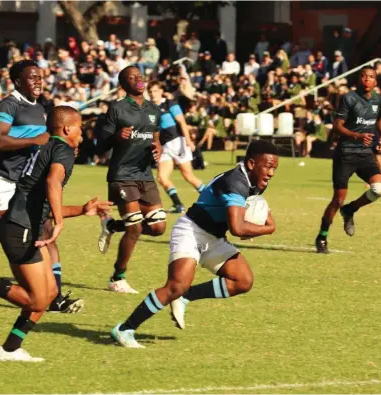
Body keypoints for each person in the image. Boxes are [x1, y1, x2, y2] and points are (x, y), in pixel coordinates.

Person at [0, 106, 112, 361]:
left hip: (24, 224)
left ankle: (10, 349)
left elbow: (40, 203)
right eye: (80, 127)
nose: (82, 133)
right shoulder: (63, 151)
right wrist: (59, 221)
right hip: (18, 228)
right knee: (36, 301)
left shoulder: (46, 147)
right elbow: (52, 183)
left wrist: (82, 209)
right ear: (68, 129)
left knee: (47, 296)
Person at [110, 140, 278, 348]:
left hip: (214, 237)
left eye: (274, 168)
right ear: (252, 164)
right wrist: (267, 228)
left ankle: (185, 297)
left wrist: (254, 222)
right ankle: (124, 329)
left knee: (243, 281)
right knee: (175, 286)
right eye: (268, 166)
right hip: (191, 231)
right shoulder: (235, 182)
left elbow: (241, 218)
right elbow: (237, 228)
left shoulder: (255, 181)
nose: (271, 173)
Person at [0, 60, 83, 313]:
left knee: (46, 230)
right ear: (18, 81)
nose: (38, 81)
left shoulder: (41, 108)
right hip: (3, 179)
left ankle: (56, 296)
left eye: (40, 77)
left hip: (25, 185)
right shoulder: (10, 104)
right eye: (32, 77)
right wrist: (35, 140)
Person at [95, 66, 166, 294]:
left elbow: (155, 138)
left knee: (158, 227)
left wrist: (158, 147)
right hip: (122, 175)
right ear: (124, 85)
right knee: (134, 228)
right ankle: (118, 278)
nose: (138, 79)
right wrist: (117, 136)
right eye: (131, 78)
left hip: (145, 175)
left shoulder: (154, 109)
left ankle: (112, 225)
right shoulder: (117, 108)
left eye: (139, 75)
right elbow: (100, 145)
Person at [315, 66, 381, 254]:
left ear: (375, 81)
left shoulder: (379, 100)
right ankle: (322, 236)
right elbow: (337, 126)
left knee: (379, 188)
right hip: (345, 154)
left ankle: (350, 210)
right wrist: (357, 135)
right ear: (359, 79)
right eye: (363, 76)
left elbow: (380, 119)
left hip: (365, 154)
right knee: (337, 200)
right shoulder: (349, 98)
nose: (367, 79)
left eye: (371, 77)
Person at [146, 80, 205, 213]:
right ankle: (178, 204)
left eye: (155, 91)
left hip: (177, 142)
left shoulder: (170, 104)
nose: (152, 94)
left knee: (188, 176)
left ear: (161, 91)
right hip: (164, 146)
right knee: (162, 177)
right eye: (150, 92)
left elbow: (182, 122)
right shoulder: (149, 109)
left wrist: (188, 141)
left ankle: (213, 198)